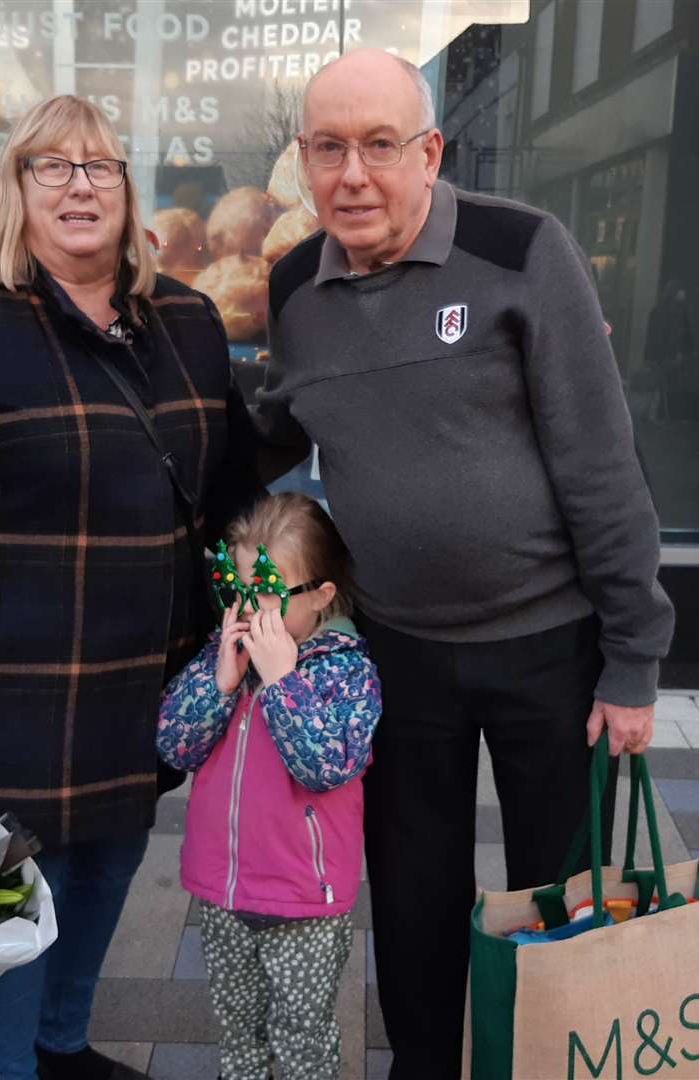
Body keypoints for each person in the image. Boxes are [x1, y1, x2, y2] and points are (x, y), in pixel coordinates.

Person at [256, 49, 676, 1078]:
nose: (353, 174)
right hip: (397, 648)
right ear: (303, 163)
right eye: (328, 149)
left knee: (556, 887)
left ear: (429, 152)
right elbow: (277, 429)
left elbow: (599, 460)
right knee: (412, 887)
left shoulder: (523, 250)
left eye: (380, 146)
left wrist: (633, 661)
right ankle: (426, 1065)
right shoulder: (292, 287)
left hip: (549, 647)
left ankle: (546, 1057)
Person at [0, 95, 260, 1080]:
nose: (80, 187)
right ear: (17, 193)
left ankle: (61, 1046)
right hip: (6, 688)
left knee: (113, 859)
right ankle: (15, 1071)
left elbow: (233, 485)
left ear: (128, 192)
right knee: (7, 896)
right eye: (51, 168)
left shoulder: (190, 323)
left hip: (142, 674)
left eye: (101, 168)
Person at [158, 493, 381, 1080]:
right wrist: (219, 684)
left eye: (267, 593)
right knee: (239, 1036)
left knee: (302, 1039)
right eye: (235, 586)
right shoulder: (223, 653)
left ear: (322, 595)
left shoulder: (346, 670)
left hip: (303, 900)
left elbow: (326, 766)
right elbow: (173, 745)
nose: (248, 608)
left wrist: (282, 683)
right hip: (222, 888)